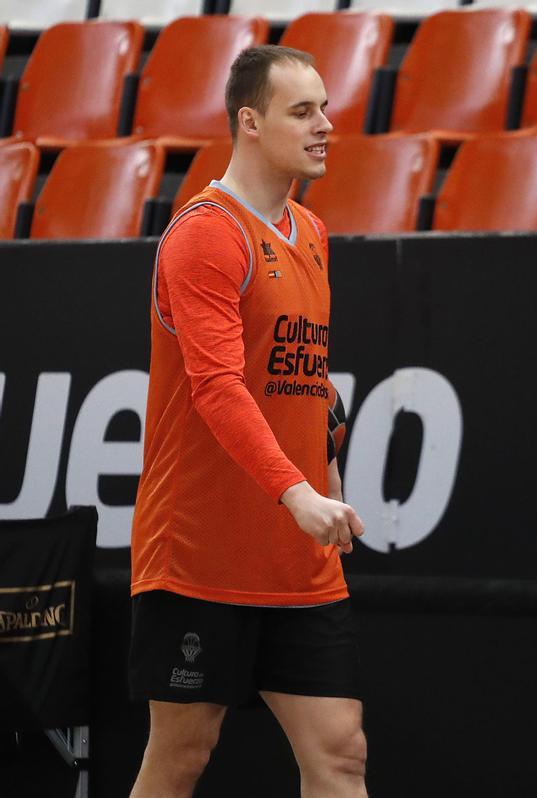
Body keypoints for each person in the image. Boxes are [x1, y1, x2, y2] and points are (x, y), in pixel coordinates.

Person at [128, 45, 368, 798]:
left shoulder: (313, 233)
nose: (326, 124)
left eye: (325, 108)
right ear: (250, 123)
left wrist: (325, 466)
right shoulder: (206, 234)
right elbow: (219, 390)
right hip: (200, 552)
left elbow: (304, 375)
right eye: (304, 111)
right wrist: (296, 493)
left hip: (297, 562)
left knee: (341, 754)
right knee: (180, 758)